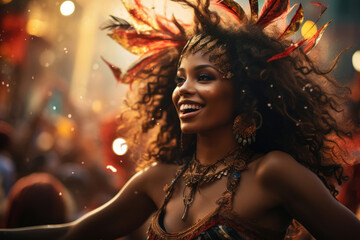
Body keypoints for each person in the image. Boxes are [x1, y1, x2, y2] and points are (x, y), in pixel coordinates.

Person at [1, 0, 360, 239]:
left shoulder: (272, 172)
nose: (184, 90)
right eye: (179, 79)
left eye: (204, 77)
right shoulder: (157, 180)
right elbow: (71, 234)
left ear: (245, 94)